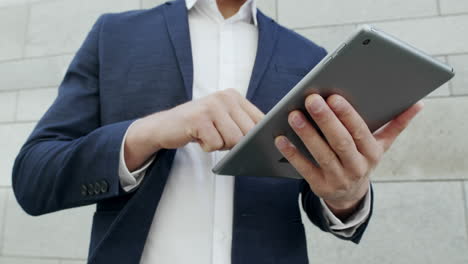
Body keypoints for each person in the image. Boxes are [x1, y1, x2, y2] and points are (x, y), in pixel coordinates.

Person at [12, 0, 423, 263]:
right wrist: (149, 132)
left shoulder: (310, 58)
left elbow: (322, 198)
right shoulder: (114, 35)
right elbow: (34, 177)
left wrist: (347, 196)